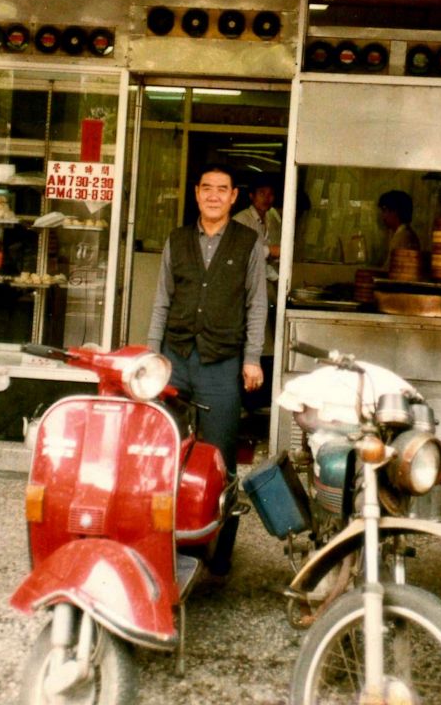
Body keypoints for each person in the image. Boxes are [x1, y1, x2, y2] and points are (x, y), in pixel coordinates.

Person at [147, 164, 267, 575]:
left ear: (235, 197)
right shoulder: (177, 240)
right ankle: (163, 540)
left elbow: (257, 305)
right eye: (207, 188)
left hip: (222, 362)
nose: (214, 195)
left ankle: (219, 555)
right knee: (164, 452)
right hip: (175, 358)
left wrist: (252, 358)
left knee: (221, 459)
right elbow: (161, 301)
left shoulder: (249, 242)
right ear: (196, 194)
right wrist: (152, 357)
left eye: (223, 189)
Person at [233, 174, 281, 411]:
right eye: (262, 193)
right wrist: (270, 252)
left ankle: (257, 403)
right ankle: (246, 403)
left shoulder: (273, 219)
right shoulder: (241, 220)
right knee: (251, 342)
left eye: (270, 193)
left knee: (266, 345)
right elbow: (245, 255)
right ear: (251, 196)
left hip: (269, 291)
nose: (267, 198)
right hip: (247, 292)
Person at [378, 189, 420, 266]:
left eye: (384, 210)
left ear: (395, 211)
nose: (383, 216)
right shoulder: (403, 234)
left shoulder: (402, 237)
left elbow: (390, 270)